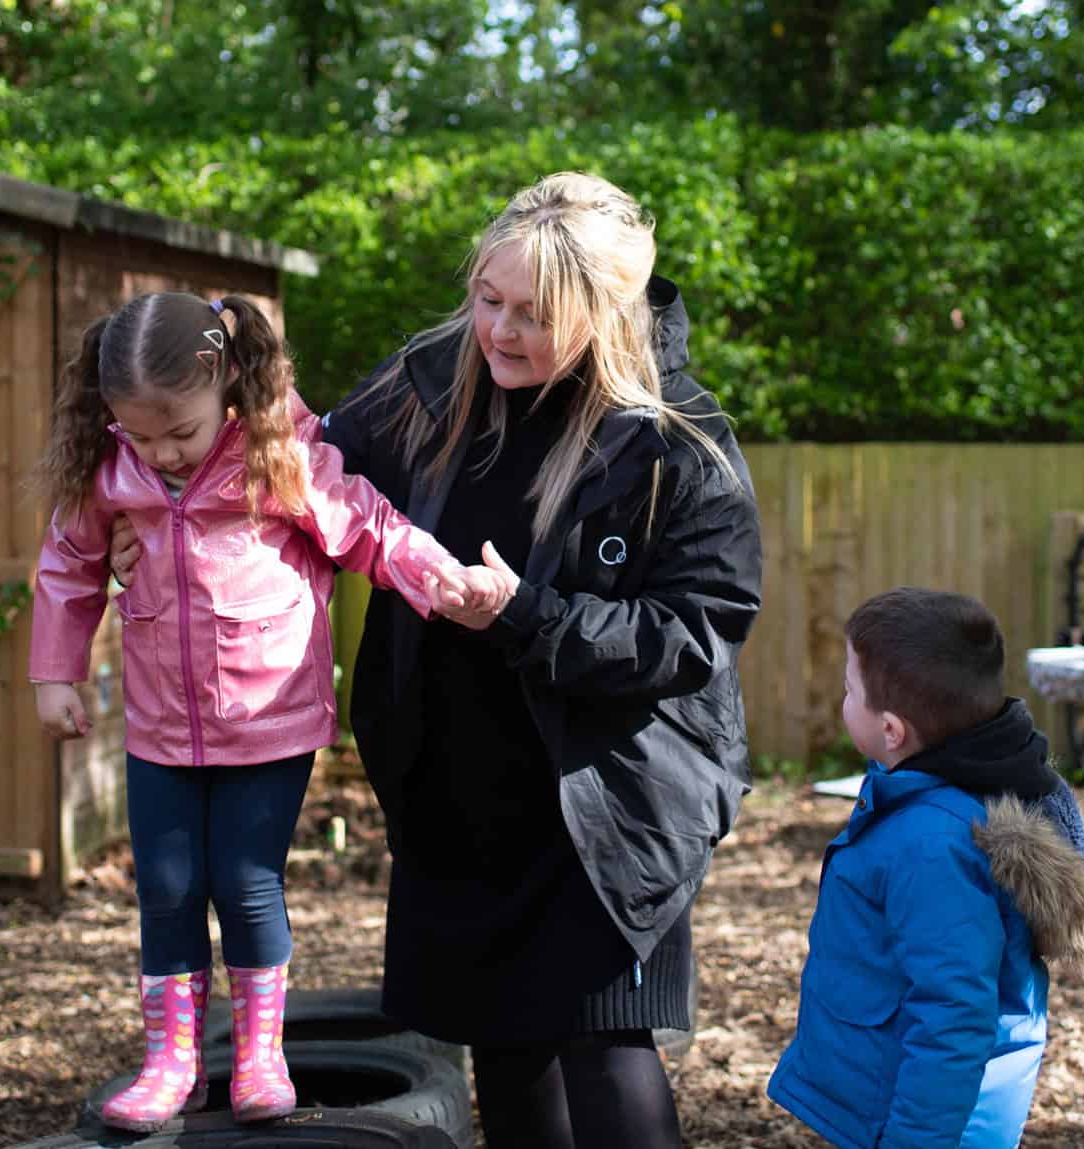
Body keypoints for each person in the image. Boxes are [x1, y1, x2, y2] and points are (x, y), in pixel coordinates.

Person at [112, 171, 765, 1148]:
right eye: (486, 299)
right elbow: (300, 478)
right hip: (458, 790)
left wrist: (526, 615)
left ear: (600, 311)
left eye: (532, 315)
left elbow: (695, 631)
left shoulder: (676, 439)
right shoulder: (429, 379)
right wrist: (159, 528)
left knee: (606, 1050)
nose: (497, 331)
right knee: (502, 1047)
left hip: (604, 803)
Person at [26, 291, 506, 1133]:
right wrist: (54, 674)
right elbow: (68, 563)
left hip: (269, 717)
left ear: (226, 388)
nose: (163, 454)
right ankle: (172, 1060)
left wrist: (442, 579)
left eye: (181, 432)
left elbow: (367, 526)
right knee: (169, 888)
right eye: (141, 435)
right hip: (161, 722)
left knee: (246, 883)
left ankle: (259, 1053)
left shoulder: (275, 456)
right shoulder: (113, 468)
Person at [766, 587, 1084, 1149]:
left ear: (892, 731)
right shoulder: (926, 795)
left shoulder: (933, 843)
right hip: (893, 1101)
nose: (841, 699)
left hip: (919, 1123)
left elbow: (953, 1020)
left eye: (849, 690)